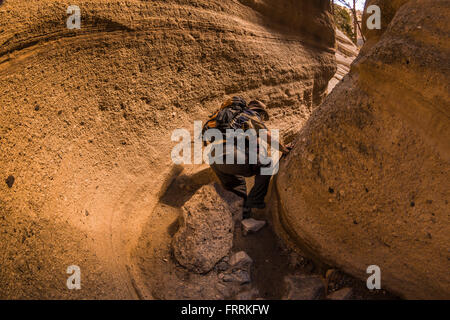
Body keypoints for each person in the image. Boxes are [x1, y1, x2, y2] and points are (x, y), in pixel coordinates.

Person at [202, 96, 290, 218]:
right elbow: (266, 135)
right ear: (258, 111)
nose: (262, 118)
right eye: (262, 115)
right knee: (266, 164)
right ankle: (255, 201)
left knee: (239, 187)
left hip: (213, 159)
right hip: (228, 154)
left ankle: (244, 217)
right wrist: (283, 148)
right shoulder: (250, 115)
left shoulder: (222, 119)